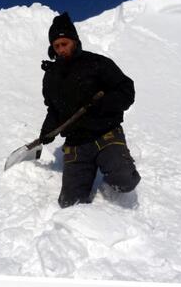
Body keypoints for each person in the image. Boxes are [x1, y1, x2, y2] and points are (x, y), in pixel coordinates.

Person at [40, 12, 141, 208]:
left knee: (125, 182)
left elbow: (126, 89)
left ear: (75, 42)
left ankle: (119, 162)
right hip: (76, 144)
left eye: (65, 43)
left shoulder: (97, 63)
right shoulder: (51, 77)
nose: (61, 49)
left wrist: (103, 104)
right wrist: (47, 130)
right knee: (70, 204)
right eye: (57, 46)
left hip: (106, 134)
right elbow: (53, 109)